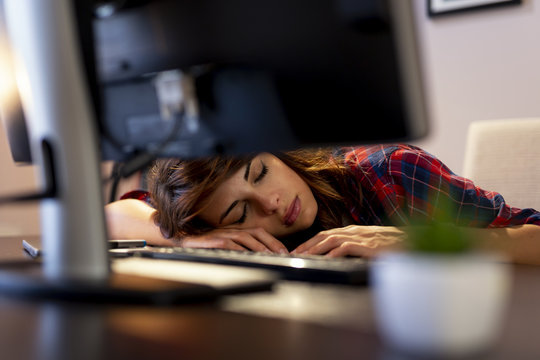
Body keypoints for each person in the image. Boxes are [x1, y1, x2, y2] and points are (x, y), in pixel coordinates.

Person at [105, 144, 540, 265]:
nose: (272, 204)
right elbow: (111, 215)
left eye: (261, 173)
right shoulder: (202, 221)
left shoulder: (393, 172)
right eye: (241, 213)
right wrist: (190, 239)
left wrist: (417, 242)